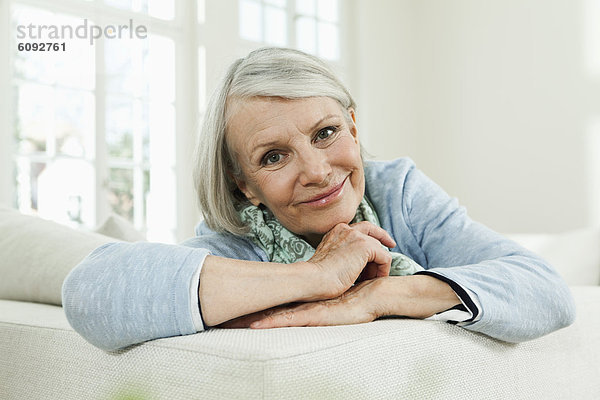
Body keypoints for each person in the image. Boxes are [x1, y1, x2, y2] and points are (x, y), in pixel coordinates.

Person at [62, 47, 575, 351]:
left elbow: (545, 289)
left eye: (326, 133)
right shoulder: (236, 246)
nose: (317, 171)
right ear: (244, 184)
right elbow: (89, 291)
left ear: (352, 125)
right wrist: (318, 277)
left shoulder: (396, 190)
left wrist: (375, 298)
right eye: (273, 157)